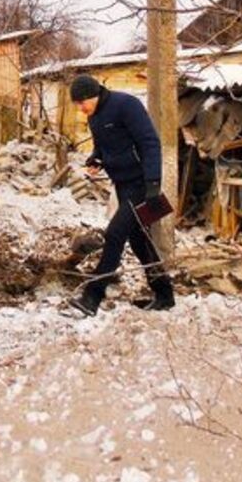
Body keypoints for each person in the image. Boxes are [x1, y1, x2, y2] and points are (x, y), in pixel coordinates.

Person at [67, 74, 175, 316]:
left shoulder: (126, 105)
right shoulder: (95, 117)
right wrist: (96, 158)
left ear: (92, 95)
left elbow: (149, 142)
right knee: (139, 240)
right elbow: (102, 147)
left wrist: (153, 183)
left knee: (114, 233)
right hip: (122, 184)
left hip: (141, 183)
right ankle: (164, 294)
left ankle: (92, 297)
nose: (81, 109)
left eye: (82, 103)